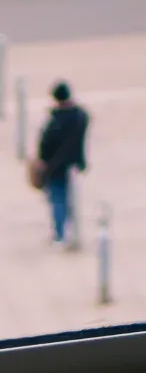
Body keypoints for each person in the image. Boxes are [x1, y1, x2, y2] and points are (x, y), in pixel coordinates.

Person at [36, 82, 89, 248]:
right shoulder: (79, 116)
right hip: (73, 162)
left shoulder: (57, 120)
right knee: (69, 199)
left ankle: (60, 235)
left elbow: (47, 143)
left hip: (56, 166)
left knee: (58, 199)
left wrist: (43, 162)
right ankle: (71, 233)